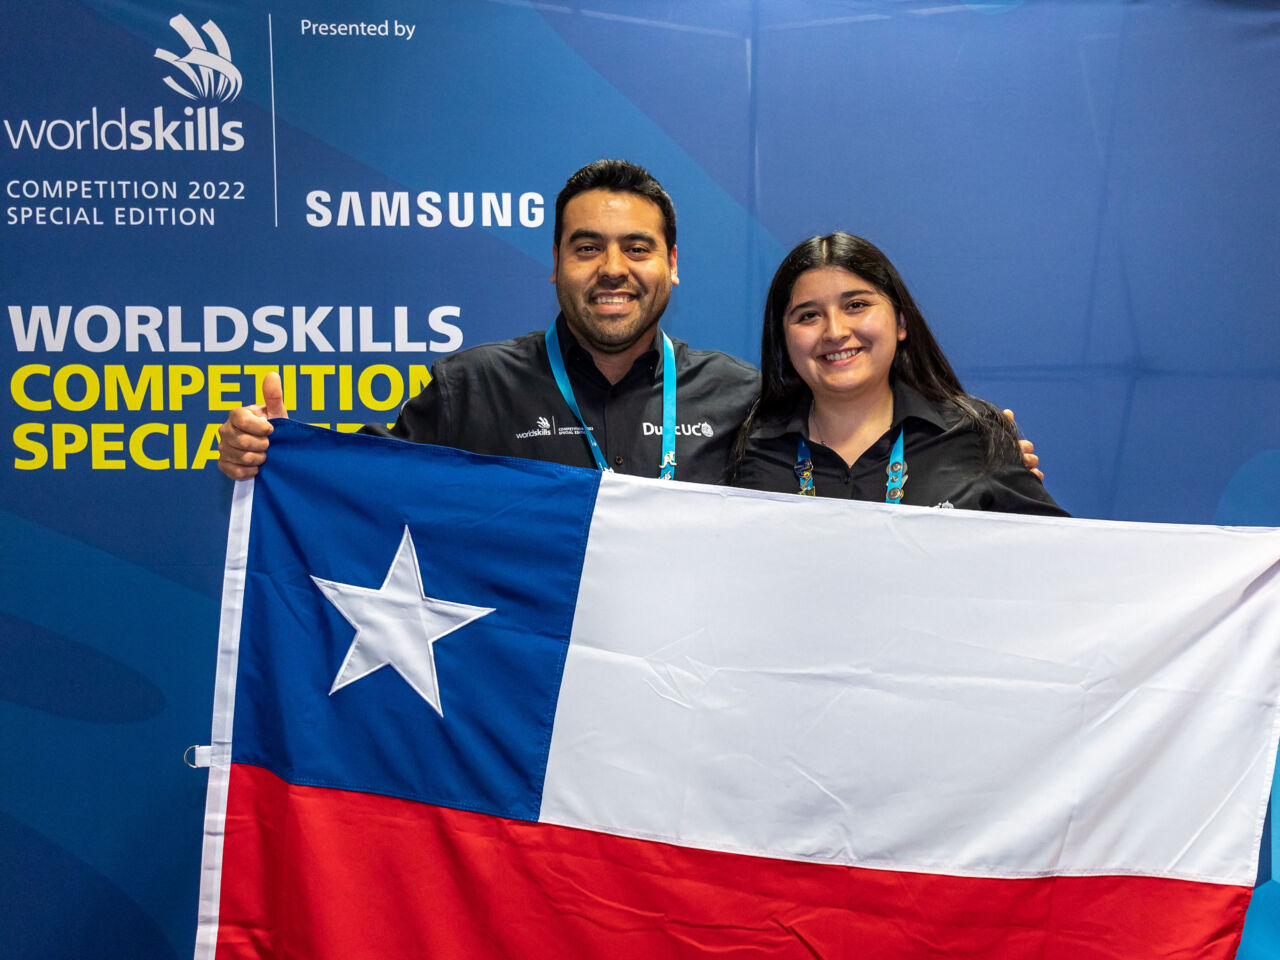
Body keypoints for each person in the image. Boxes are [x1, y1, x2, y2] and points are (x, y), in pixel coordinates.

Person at [217, 161, 1041, 486]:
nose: (613, 269)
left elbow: (848, 474)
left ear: (672, 265)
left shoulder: (746, 398)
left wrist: (971, 455)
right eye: (587, 248)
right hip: (525, 710)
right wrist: (275, 452)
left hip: (687, 716)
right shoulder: (471, 388)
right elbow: (364, 480)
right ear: (555, 267)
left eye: (637, 248)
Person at [729, 232, 1064, 515]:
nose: (835, 331)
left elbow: (1061, 565)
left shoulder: (976, 438)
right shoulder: (751, 449)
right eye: (809, 316)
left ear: (901, 322)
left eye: (856, 306)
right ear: (783, 338)